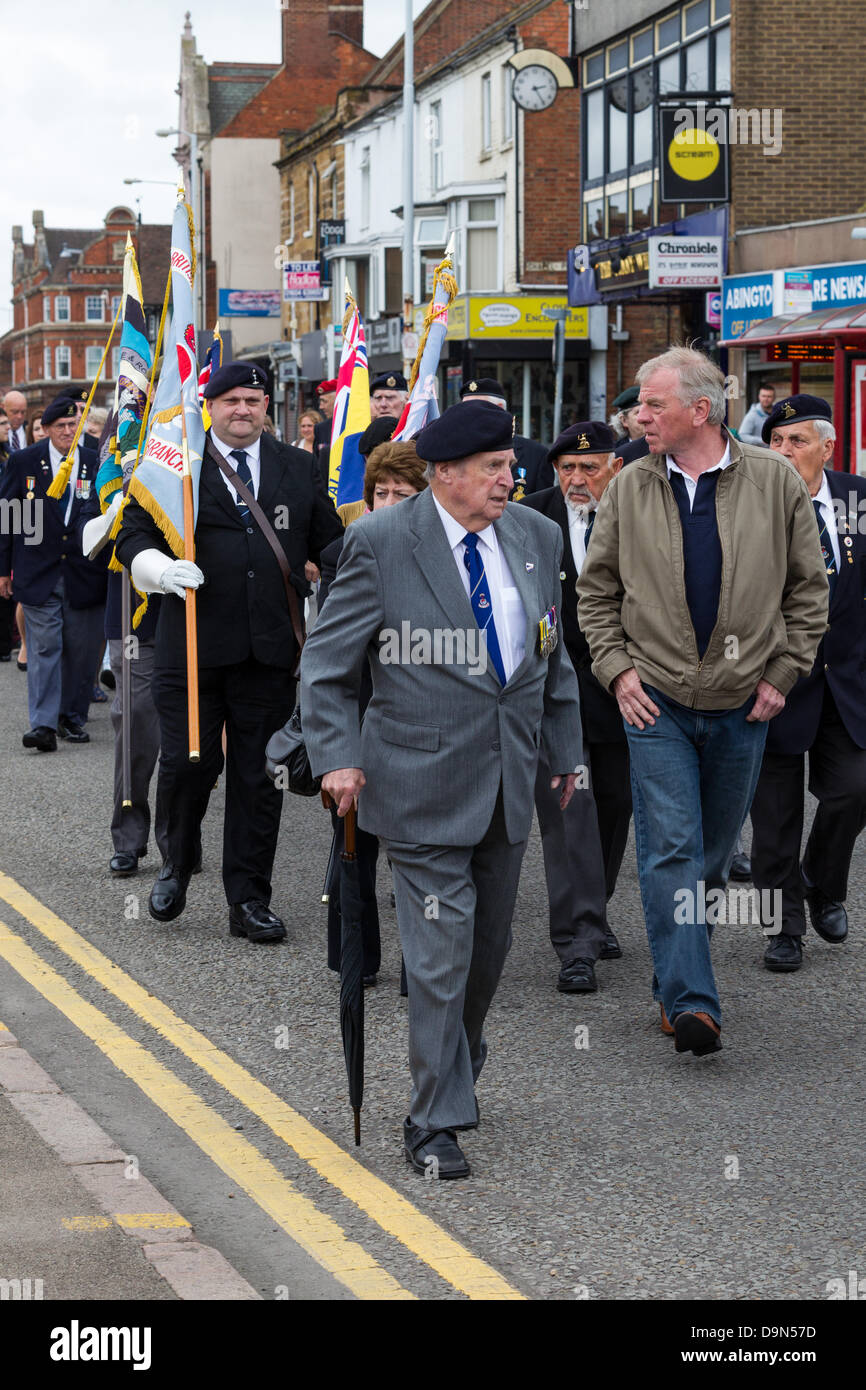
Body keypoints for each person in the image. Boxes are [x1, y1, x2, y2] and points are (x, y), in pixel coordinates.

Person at [301, 399, 583, 1179]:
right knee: (437, 954)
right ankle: (434, 1119)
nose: (509, 481)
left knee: (485, 953)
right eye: (493, 470)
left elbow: (550, 655)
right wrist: (337, 758)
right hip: (417, 779)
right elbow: (326, 666)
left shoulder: (536, 535)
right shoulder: (380, 542)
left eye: (510, 469)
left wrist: (564, 753)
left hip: (508, 778)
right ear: (445, 475)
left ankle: (454, 1055)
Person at [577, 346, 828, 1056]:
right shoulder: (628, 487)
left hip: (744, 703)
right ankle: (693, 1000)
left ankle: (674, 974)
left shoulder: (775, 481)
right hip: (652, 699)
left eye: (652, 405)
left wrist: (783, 674)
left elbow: (809, 593)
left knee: (713, 859)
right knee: (672, 849)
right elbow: (596, 596)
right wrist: (618, 672)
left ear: (700, 410)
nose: (638, 416)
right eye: (638, 406)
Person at [114, 362, 343, 940]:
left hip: (268, 652)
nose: (242, 410)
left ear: (267, 406)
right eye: (230, 400)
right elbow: (131, 536)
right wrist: (162, 571)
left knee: (258, 777)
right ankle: (175, 864)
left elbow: (330, 543)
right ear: (208, 406)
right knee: (191, 764)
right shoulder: (175, 465)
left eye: (253, 400)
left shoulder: (296, 465)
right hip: (190, 648)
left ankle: (248, 900)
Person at [750, 395, 866, 971]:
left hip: (846, 684)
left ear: (828, 446)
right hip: (771, 682)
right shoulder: (749, 502)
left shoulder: (857, 500)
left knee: (854, 788)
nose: (783, 451)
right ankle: (783, 929)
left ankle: (823, 881)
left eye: (796, 440)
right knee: (773, 819)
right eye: (774, 441)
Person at [521, 421, 632, 993]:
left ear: (615, 466)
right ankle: (578, 941)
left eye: (590, 468)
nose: (577, 479)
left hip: (625, 686)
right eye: (567, 468)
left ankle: (596, 906)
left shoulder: (639, 510)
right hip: (553, 688)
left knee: (614, 805)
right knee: (571, 810)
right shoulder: (529, 516)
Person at [318, 440, 429, 988]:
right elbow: (332, 648)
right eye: (379, 493)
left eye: (402, 494)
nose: (387, 503)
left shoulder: (444, 554)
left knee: (422, 849)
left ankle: (426, 963)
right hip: (359, 709)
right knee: (353, 843)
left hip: (420, 718)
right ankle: (355, 956)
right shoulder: (350, 548)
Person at [0, 396, 108, 751]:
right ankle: (43, 725)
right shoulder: (24, 462)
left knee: (82, 652)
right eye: (59, 426)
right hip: (38, 572)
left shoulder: (96, 463)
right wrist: (4, 569)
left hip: (84, 572)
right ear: (44, 430)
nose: (67, 431)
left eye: (72, 425)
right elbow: (9, 519)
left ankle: (71, 718)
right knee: (46, 648)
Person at [79, 492, 170, 878]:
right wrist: (112, 509)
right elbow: (86, 536)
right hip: (132, 614)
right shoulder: (115, 451)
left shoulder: (197, 444)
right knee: (134, 725)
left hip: (194, 605)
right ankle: (129, 839)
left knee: (188, 738)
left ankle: (179, 839)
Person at [459, 378, 553, 497]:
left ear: (500, 409)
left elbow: (543, 507)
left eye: (476, 410)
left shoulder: (536, 455)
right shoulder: (455, 452)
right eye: (464, 409)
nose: (467, 415)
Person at [611, 385, 649, 465]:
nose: (645, 417)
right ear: (624, 420)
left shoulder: (663, 447)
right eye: (638, 412)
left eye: (648, 411)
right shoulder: (615, 453)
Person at [312, 379, 337, 482]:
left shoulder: (355, 426)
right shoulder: (320, 428)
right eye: (320, 401)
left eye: (324, 401)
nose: (321, 407)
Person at [738, 382, 776, 448]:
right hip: (760, 454)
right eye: (763, 396)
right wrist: (763, 441)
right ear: (759, 397)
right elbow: (742, 436)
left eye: (769, 396)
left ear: (774, 398)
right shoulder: (752, 415)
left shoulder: (777, 413)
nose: (766, 399)